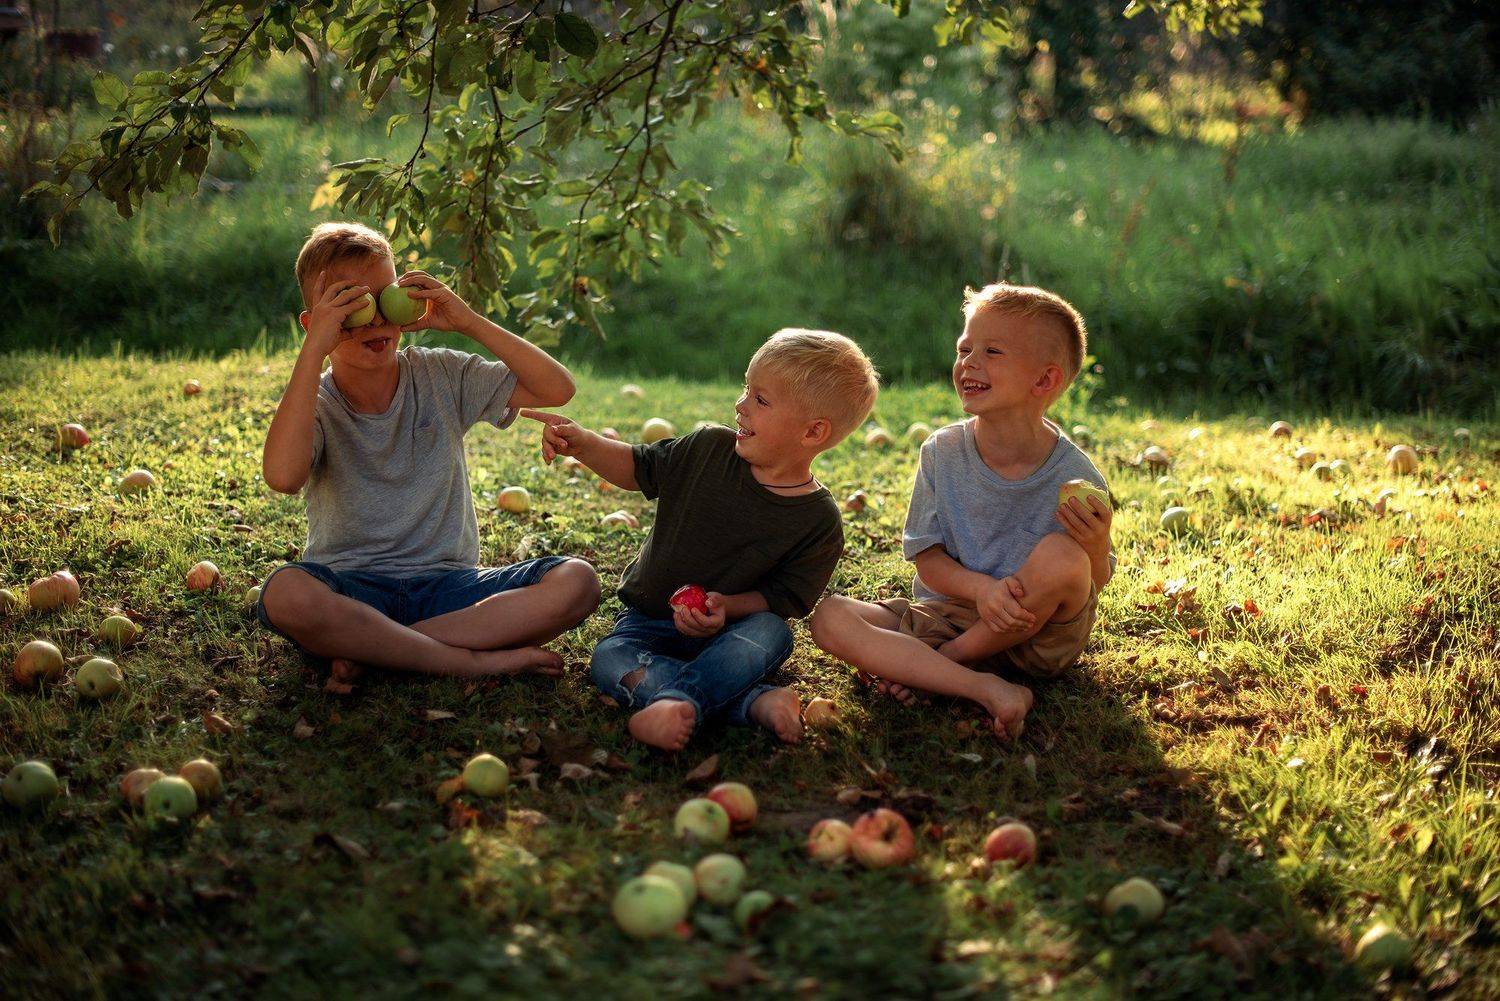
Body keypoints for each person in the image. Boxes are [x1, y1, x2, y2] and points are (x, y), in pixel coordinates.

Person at [255, 222, 600, 685]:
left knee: (577, 581)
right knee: (286, 593)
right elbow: (282, 475)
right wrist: (313, 350)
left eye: (385, 298)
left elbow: (557, 388)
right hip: (352, 590)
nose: (377, 319)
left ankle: (380, 650)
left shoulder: (440, 374)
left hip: (450, 588)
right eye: (352, 305)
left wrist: (469, 322)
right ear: (314, 322)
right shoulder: (313, 404)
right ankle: (464, 661)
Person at [523, 329, 879, 750]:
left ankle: (676, 700)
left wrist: (728, 608)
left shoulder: (819, 521)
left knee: (772, 633)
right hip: (648, 623)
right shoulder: (708, 449)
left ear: (813, 432)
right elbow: (639, 467)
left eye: (760, 400)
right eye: (746, 389)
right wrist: (583, 444)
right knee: (609, 658)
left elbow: (783, 599)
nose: (741, 405)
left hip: (732, 634)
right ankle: (748, 704)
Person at [811, 282, 1113, 739]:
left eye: (992, 351)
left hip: (1037, 634)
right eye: (965, 348)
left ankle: (940, 667)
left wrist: (1095, 544)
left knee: (1062, 556)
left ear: (1044, 380)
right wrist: (982, 591)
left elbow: (1092, 578)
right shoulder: (943, 452)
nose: (969, 362)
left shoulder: (1075, 475)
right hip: (950, 614)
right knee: (829, 616)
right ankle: (983, 686)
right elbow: (928, 560)